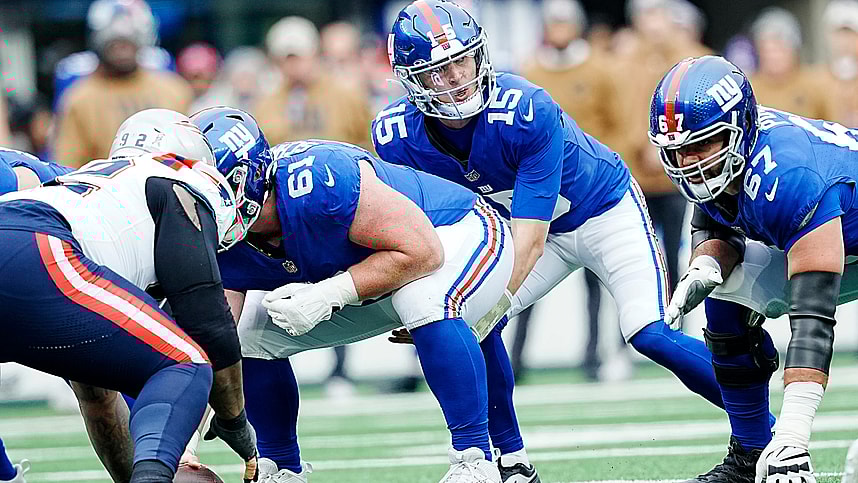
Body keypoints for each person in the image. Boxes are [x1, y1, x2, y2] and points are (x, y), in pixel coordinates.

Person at [375, 4, 727, 479]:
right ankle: (512, 462)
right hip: (529, 230)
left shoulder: (524, 108)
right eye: (438, 70)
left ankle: (764, 426)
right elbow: (424, 229)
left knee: (649, 332)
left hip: (602, 212)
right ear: (410, 79)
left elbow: (531, 240)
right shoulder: (396, 135)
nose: (456, 78)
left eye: (462, 60)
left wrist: (473, 305)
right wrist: (438, 306)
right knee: (467, 323)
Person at [190, 106, 525, 483]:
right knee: (248, 335)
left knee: (423, 299)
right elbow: (215, 341)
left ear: (247, 176)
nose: (203, 205)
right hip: (375, 270)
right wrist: (186, 445)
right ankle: (280, 467)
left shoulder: (319, 179)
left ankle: (474, 459)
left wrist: (329, 294)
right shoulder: (217, 236)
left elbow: (423, 252)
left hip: (456, 232)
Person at [0, 110, 257, 482]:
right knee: (186, 363)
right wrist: (236, 421)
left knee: (99, 391)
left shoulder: (90, 182)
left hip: (27, 243)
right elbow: (207, 321)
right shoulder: (182, 177)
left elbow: (99, 399)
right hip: (37, 248)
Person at [648, 54, 858, 482]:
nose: (689, 163)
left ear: (739, 129)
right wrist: (706, 264)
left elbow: (813, 318)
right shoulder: (729, 154)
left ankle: (787, 446)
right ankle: (751, 452)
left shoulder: (791, 174)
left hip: (835, 228)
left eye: (701, 145)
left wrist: (794, 438)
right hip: (838, 236)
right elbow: (716, 224)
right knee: (724, 292)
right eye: (677, 151)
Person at [52, 0, 192, 168]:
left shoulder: (174, 90)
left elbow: (193, 153)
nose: (121, 52)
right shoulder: (79, 99)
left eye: (127, 44)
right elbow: (68, 167)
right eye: (115, 44)